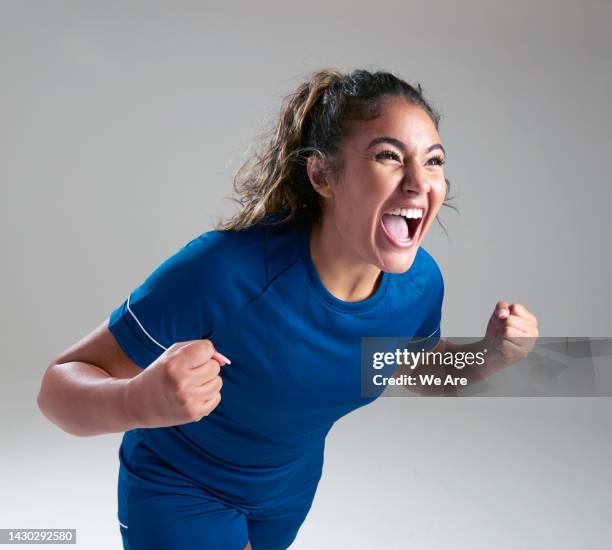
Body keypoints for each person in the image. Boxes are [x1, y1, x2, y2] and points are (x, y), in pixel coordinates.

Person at [37, 68, 538, 550]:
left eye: (433, 160)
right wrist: (136, 403)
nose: (417, 182)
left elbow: (411, 368)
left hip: (286, 495)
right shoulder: (225, 272)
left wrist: (491, 356)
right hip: (181, 488)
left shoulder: (421, 284)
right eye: (389, 156)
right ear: (322, 174)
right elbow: (56, 388)